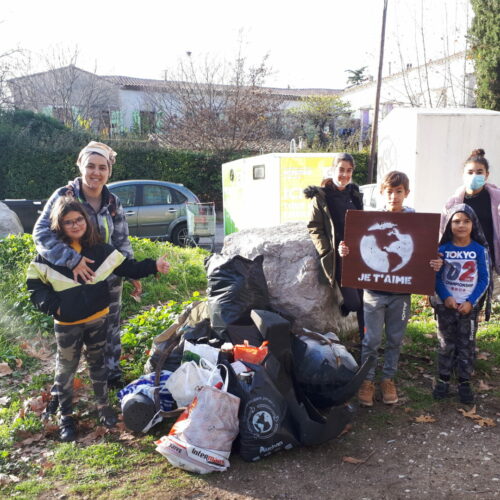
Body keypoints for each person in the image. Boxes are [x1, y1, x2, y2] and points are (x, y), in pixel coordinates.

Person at [27, 197, 170, 441]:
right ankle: (66, 416)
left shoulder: (101, 250)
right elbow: (34, 286)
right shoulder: (50, 255)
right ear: (59, 225)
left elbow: (128, 268)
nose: (75, 225)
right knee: (66, 369)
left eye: (79, 219)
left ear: (87, 221)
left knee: (98, 365)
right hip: (67, 325)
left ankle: (103, 408)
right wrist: (55, 308)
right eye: (68, 222)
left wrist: (154, 265)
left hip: (98, 320)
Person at [33, 141, 138, 399]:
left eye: (102, 167)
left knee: (110, 325)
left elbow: (121, 240)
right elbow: (41, 233)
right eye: (90, 166)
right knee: (74, 331)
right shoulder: (64, 196)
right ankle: (64, 387)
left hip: (108, 278)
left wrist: (131, 271)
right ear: (80, 166)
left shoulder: (112, 201)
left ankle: (110, 374)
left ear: (109, 172)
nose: (96, 172)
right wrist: (72, 260)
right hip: (72, 279)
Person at [339, 171, 442, 407]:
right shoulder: (369, 220)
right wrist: (345, 251)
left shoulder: (417, 222)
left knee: (395, 340)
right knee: (371, 341)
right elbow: (354, 249)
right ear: (382, 193)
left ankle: (388, 379)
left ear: (406, 193)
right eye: (389, 191)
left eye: (399, 191)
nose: (394, 196)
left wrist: (435, 263)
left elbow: (426, 254)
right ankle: (367, 380)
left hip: (401, 295)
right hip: (374, 294)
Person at [433, 204, 490, 404]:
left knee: (467, 344)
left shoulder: (479, 250)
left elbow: (484, 279)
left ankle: (464, 381)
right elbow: (437, 278)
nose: (461, 225)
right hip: (446, 306)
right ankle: (443, 378)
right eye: (456, 221)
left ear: (473, 224)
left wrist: (471, 301)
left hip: (468, 308)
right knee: (446, 343)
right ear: (449, 225)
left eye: (466, 221)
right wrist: (445, 296)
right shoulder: (442, 250)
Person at [304, 153, 365, 340]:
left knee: (365, 301)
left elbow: (362, 222)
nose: (344, 175)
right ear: (333, 170)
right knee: (355, 303)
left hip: (358, 254)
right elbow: (314, 227)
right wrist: (327, 251)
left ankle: (366, 345)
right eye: (341, 170)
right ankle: (347, 306)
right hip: (338, 257)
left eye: (349, 171)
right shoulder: (321, 196)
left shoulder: (354, 194)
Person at [441, 149, 500, 299]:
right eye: (470, 172)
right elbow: (443, 232)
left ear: (487, 175)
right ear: (463, 175)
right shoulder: (453, 202)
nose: (475, 176)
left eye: (479, 172)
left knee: (479, 300)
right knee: (462, 300)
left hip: (489, 259)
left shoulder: (496, 200)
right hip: (460, 261)